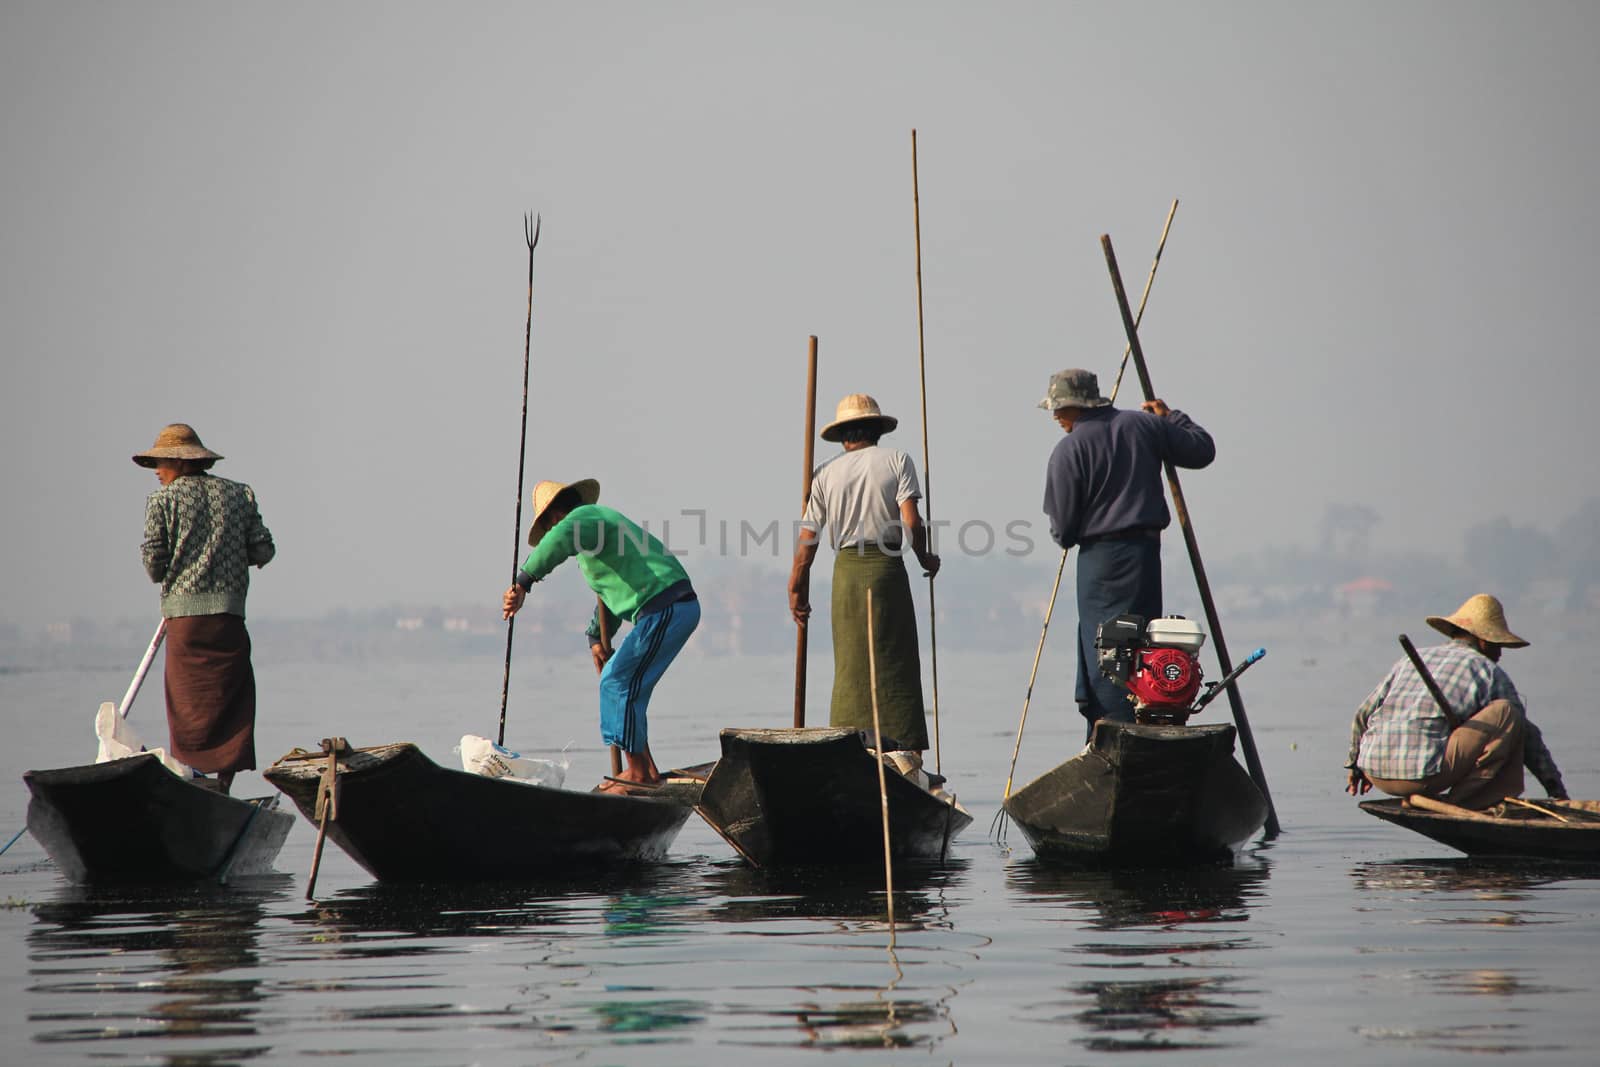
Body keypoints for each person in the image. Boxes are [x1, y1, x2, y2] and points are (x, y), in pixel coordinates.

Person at [1039, 368, 1215, 736]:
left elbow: (1064, 530)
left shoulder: (1069, 450)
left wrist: (1067, 531)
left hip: (1100, 562)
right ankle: (1141, 719)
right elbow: (1201, 448)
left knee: (1105, 645)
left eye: (1059, 408)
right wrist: (1172, 418)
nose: (1055, 416)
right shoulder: (1144, 426)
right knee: (1139, 643)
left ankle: (1111, 730)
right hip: (1145, 556)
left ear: (1076, 405)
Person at [502, 478, 700, 793]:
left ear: (555, 515)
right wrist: (595, 638)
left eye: (552, 524)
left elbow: (559, 540)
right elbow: (611, 593)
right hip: (664, 609)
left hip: (667, 606)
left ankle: (638, 775)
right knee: (626, 685)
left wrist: (523, 581)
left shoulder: (584, 518)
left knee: (617, 683)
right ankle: (645, 770)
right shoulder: (593, 543)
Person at [788, 394, 940, 758]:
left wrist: (795, 585)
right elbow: (912, 522)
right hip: (887, 569)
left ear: (843, 436)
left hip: (846, 577)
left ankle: (852, 749)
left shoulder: (824, 473)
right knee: (896, 659)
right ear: (877, 430)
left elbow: (807, 541)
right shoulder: (897, 460)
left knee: (851, 665)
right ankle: (904, 754)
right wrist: (925, 557)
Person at [135, 423, 275, 794]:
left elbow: (153, 565)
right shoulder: (239, 495)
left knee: (187, 703)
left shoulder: (162, 501)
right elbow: (263, 551)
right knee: (230, 695)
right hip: (228, 617)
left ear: (179, 464)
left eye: (160, 463)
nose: (157, 472)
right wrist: (226, 550)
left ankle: (196, 783)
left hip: (185, 619)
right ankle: (223, 786)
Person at [1345, 594, 1566, 809]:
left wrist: (1356, 766)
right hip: (1422, 775)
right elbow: (1528, 737)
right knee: (1508, 712)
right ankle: (1466, 801)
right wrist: (1556, 789)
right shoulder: (1487, 669)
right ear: (1483, 640)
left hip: (1374, 772)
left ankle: (1449, 797)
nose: (1499, 653)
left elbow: (1363, 714)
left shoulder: (1412, 659)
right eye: (1497, 644)